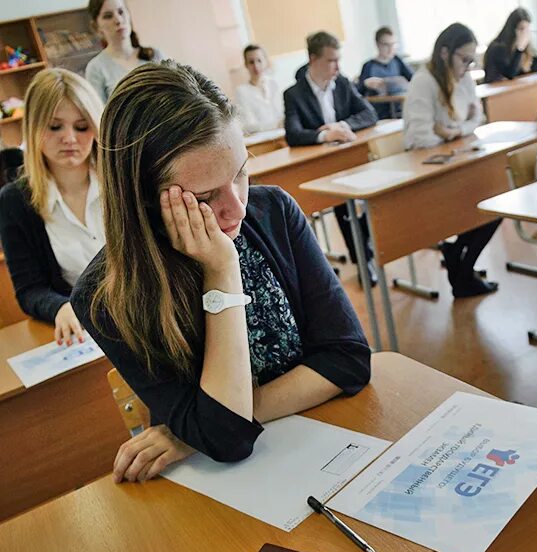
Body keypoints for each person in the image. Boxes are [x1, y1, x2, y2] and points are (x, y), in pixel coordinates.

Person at [71, 60, 371, 482]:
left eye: (241, 173)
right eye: (205, 196)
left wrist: (195, 429)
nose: (237, 208)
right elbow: (229, 440)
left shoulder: (274, 211)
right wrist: (223, 272)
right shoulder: (105, 295)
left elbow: (348, 360)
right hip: (221, 487)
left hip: (326, 445)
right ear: (142, 201)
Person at [0, 69, 104, 344]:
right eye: (55, 126)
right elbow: (29, 290)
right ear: (33, 128)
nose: (69, 138)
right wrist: (59, 306)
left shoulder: (121, 181)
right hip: (87, 336)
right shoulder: (15, 201)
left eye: (82, 126)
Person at [403, 23, 501, 298]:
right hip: (427, 170)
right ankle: (462, 271)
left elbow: (478, 118)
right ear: (445, 53)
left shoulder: (464, 77)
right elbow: (420, 138)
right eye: (464, 59)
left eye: (472, 60)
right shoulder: (424, 81)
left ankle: (460, 260)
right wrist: (453, 131)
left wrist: (451, 131)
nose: (468, 66)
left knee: (496, 201)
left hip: (457, 161)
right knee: (482, 205)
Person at [284, 31, 379, 286]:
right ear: (313, 59)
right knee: (342, 203)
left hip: (352, 161)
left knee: (377, 198)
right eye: (331, 61)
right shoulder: (293, 94)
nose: (337, 66)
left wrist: (342, 125)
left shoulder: (343, 83)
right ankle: (363, 260)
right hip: (321, 171)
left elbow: (369, 114)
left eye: (338, 60)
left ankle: (366, 253)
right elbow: (293, 134)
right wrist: (325, 135)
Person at [85, 0, 164, 102]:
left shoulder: (155, 55)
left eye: (121, 12)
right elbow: (99, 114)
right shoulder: (96, 68)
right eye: (108, 16)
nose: (118, 20)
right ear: (96, 26)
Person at [357, 26, 414, 119]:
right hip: (380, 114)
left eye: (393, 44)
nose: (391, 49)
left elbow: (413, 78)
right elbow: (358, 93)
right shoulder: (368, 66)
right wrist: (365, 84)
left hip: (400, 110)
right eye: (386, 45)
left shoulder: (397, 61)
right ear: (377, 44)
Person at [483, 8, 537, 83]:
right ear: (512, 30)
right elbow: (510, 74)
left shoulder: (525, 48)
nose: (525, 34)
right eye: (521, 29)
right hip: (497, 91)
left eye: (527, 29)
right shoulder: (497, 48)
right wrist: (519, 48)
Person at [235, 44, 283, 134]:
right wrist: (276, 125)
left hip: (282, 134)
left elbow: (283, 113)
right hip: (262, 140)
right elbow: (249, 126)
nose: (256, 66)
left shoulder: (274, 84)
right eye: (251, 62)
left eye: (259, 60)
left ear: (265, 61)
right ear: (246, 64)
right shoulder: (242, 91)